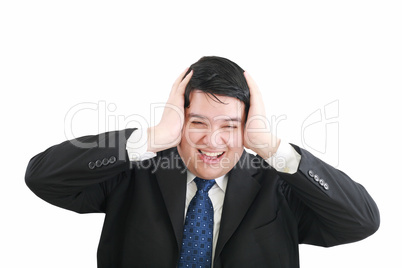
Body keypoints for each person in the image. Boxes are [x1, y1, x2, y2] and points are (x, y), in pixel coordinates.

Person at [25, 56, 380, 268]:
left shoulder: (279, 184)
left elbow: (361, 222)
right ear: (177, 119)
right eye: (197, 123)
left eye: (230, 126)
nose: (213, 141)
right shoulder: (134, 174)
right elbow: (42, 177)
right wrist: (151, 138)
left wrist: (272, 147)